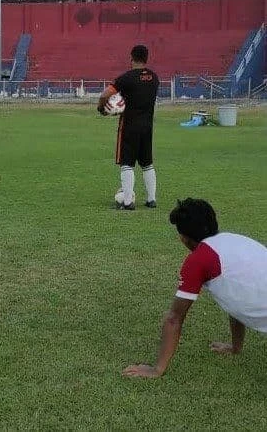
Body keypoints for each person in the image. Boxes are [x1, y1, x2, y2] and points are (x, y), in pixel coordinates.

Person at [123, 198, 267, 378]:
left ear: (184, 238)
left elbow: (174, 318)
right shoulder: (234, 240)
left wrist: (156, 369)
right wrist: (235, 347)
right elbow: (235, 298)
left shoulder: (199, 260)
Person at [97, 45, 159, 210]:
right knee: (147, 163)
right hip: (147, 127)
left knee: (127, 163)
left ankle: (127, 202)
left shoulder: (127, 78)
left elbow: (105, 95)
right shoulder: (154, 77)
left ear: (131, 58)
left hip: (129, 126)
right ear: (146, 58)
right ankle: (151, 200)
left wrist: (102, 108)